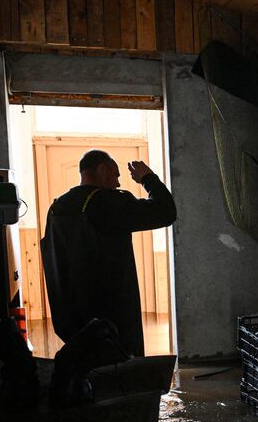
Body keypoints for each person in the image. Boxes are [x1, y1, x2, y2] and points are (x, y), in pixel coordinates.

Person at [40, 149, 177, 357]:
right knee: (116, 372)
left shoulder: (57, 206)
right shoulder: (107, 202)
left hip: (70, 314)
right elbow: (165, 212)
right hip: (110, 314)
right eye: (115, 175)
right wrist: (148, 178)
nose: (118, 183)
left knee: (84, 364)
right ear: (103, 169)